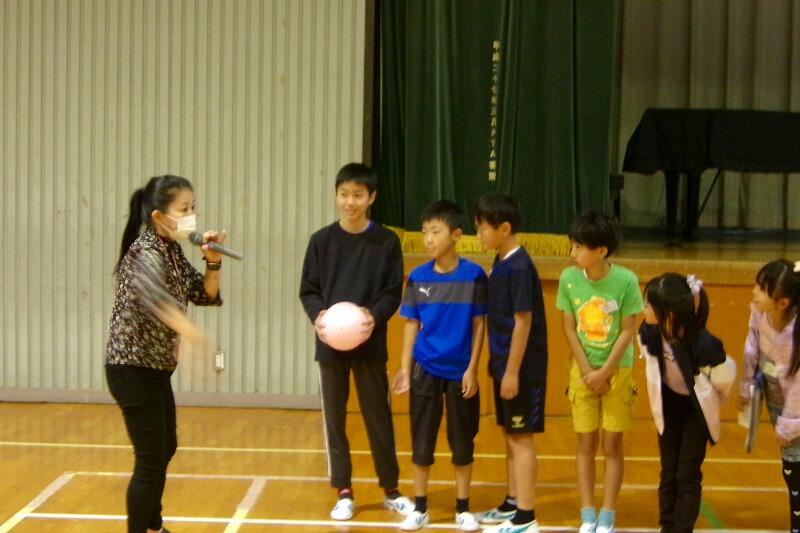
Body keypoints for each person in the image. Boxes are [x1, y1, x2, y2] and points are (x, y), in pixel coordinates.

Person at [106, 175, 225, 533]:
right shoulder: (144, 252)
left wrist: (212, 262)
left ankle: (153, 526)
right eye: (184, 209)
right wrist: (194, 337)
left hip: (156, 368)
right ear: (159, 216)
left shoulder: (172, 250)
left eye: (193, 208)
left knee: (165, 447)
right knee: (150, 459)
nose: (191, 216)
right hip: (130, 368)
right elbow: (159, 303)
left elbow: (204, 294)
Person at [299, 162, 413, 521]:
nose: (350, 202)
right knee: (334, 420)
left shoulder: (386, 241)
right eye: (344, 194)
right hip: (329, 347)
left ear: (371, 197)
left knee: (378, 418)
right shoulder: (321, 241)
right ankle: (343, 491)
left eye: (358, 195)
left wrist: (373, 317)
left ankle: (391, 489)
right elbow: (309, 290)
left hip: (370, 345)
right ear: (336, 195)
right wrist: (319, 316)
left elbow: (392, 291)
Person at [391, 200, 487, 532]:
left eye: (435, 231)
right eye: (424, 232)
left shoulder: (474, 275)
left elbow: (479, 325)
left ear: (456, 235)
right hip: (425, 368)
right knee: (421, 441)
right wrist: (405, 368)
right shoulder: (417, 277)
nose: (428, 239)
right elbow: (410, 324)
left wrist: (472, 368)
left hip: (461, 371)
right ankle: (420, 508)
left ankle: (463, 509)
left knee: (462, 443)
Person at [555, 209, 643, 533]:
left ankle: (607, 515)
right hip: (582, 372)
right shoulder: (568, 279)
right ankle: (587, 514)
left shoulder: (626, 281)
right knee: (585, 444)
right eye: (573, 245)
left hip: (617, 371)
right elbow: (568, 327)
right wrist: (586, 370)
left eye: (579, 247)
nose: (572, 253)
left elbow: (628, 329)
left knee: (612, 445)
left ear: (601, 250)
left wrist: (604, 372)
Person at [473, 192, 548, 533]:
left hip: (522, 369)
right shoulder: (501, 261)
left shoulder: (519, 266)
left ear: (504, 229)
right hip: (503, 364)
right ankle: (513, 501)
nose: (479, 235)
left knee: (521, 438)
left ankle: (526, 516)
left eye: (483, 229)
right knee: (511, 434)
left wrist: (513, 372)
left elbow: (523, 320)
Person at [639, 273, 735, 533]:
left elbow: (725, 377)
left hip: (695, 412)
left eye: (648, 304)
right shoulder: (650, 332)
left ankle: (683, 529)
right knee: (669, 470)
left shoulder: (703, 345)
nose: (643, 308)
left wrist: (713, 401)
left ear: (668, 313)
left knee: (687, 474)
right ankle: (667, 525)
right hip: (669, 406)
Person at [740, 259, 800, 532]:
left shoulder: (793, 334)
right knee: (791, 468)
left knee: (795, 472)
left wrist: (790, 424)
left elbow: (798, 384)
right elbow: (752, 346)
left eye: (762, 289)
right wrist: (747, 384)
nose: (754, 292)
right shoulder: (761, 314)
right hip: (777, 400)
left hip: (795, 408)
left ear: (783, 302)